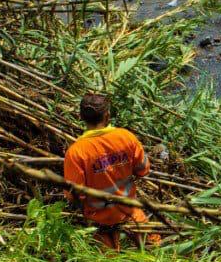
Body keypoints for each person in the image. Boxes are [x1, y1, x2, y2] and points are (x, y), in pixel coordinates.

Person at [62, 93, 156, 250]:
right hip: (132, 216)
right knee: (155, 253)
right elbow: (143, 169)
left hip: (100, 224)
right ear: (107, 115)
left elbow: (73, 195)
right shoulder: (126, 137)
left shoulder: (76, 152)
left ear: (81, 117)